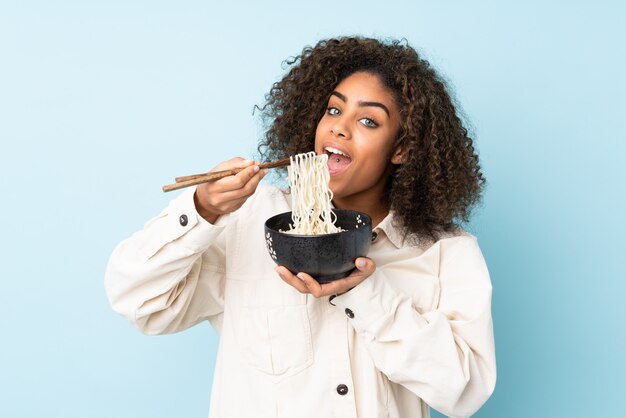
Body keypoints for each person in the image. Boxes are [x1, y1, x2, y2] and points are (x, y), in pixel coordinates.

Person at [105, 36, 496, 418]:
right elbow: (138, 301)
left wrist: (368, 292)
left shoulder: (447, 252)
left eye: (367, 120)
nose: (339, 129)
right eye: (333, 110)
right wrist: (203, 209)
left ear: (401, 149)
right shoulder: (251, 220)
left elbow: (466, 393)